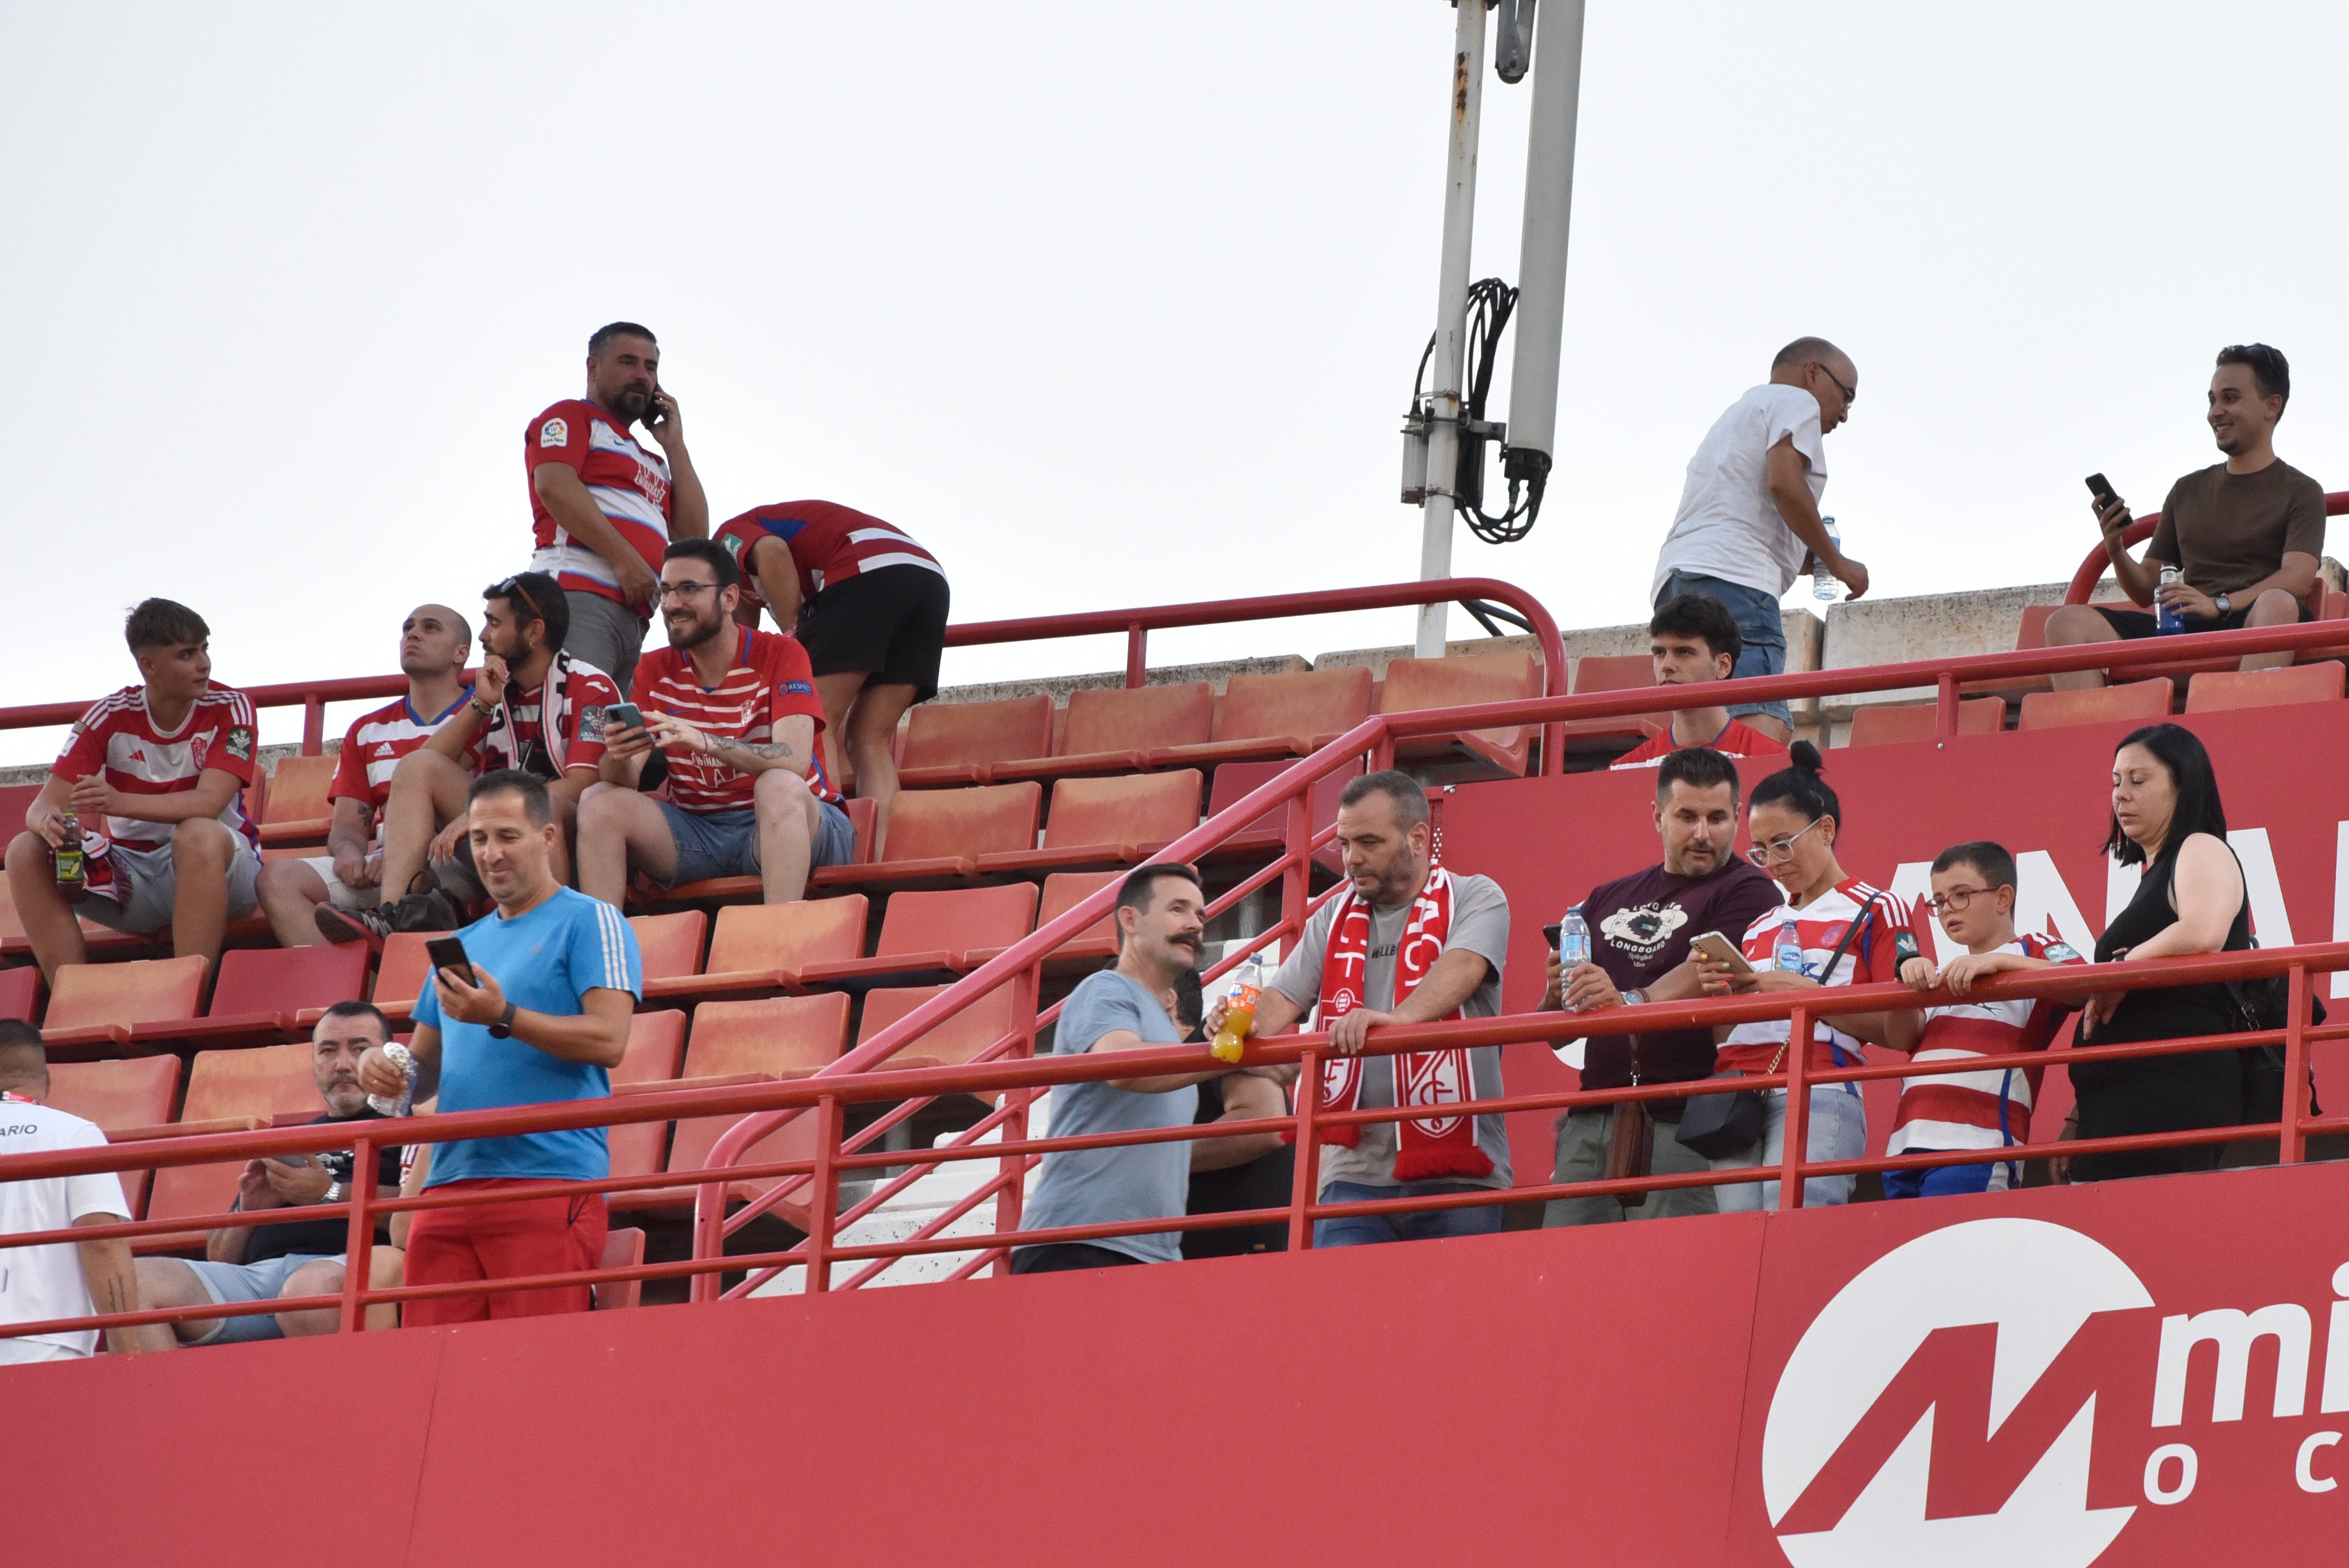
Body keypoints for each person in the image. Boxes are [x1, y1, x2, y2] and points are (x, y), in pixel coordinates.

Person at [354, 769, 641, 1324]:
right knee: (436, 1367)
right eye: (480, 838)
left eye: (508, 836)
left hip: (548, 1179)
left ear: (548, 838)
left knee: (536, 1365)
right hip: (447, 1186)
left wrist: (503, 1016)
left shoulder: (591, 920)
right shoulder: (461, 943)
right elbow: (423, 1072)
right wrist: (381, 1065)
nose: (491, 854)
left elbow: (610, 1040)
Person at [1220, 771, 1513, 1247]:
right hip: (1351, 1175)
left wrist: (1397, 1021)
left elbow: (1463, 966)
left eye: (1369, 842)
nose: (1351, 859)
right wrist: (1239, 1023)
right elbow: (1282, 998)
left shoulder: (1475, 895)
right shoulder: (1331, 915)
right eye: (1344, 843)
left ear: (1418, 838)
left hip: (1461, 1174)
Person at [1541, 748, 1783, 1226]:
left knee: (1677, 1269)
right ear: (1657, 816)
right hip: (1590, 1120)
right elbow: (1557, 1035)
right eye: (1686, 816)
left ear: (1737, 817)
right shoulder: (1605, 897)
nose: (1702, 833)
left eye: (1716, 818)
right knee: (1567, 1267)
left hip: (1687, 1120)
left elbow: (1708, 961)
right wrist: (1556, 993)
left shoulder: (1751, 889)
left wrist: (1631, 1002)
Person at [322, 573, 620, 942]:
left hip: (571, 835)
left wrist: (482, 812)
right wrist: (480, 703)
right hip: (503, 829)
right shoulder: (496, 693)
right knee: (417, 767)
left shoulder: (591, 685)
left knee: (550, 803)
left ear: (534, 631)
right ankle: (397, 916)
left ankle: (549, 937)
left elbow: (582, 783)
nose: (482, 636)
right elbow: (422, 768)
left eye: (494, 623)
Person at [1693, 743, 1917, 1210]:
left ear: (1825, 830)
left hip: (1818, 1084)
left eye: (1782, 843)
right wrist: (1721, 994)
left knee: (1794, 1220)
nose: (1773, 861)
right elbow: (1726, 1035)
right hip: (1735, 1092)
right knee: (1738, 1234)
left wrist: (1805, 996)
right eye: (1759, 850)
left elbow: (1904, 1030)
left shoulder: (1877, 907)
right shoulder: (1759, 926)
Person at [1015, 864, 1268, 1272]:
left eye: (1200, 915)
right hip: (1079, 1243)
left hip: (1151, 1252)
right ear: (1130, 920)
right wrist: (1223, 1052)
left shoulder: (1162, 1026)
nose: (1194, 924)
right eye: (1178, 909)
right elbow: (1124, 1066)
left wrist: (1244, 1046)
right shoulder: (1104, 989)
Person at [578, 540, 856, 908]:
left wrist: (704, 741)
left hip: (795, 823)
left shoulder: (782, 653)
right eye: (666, 590)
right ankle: (603, 939)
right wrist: (617, 754)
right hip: (700, 833)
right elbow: (626, 779)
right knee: (597, 800)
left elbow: (793, 761)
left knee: (778, 786)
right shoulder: (652, 668)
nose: (671, 604)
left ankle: (782, 932)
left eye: (688, 589)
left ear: (729, 598)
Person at [5, 599, 260, 983]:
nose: (204, 664)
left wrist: (118, 802)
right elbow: (42, 807)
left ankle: (189, 993)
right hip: (134, 877)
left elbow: (208, 804)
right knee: (24, 850)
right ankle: (70, 996)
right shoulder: (108, 714)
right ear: (149, 666)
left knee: (197, 834)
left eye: (204, 649)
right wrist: (51, 827)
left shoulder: (233, 707)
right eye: (187, 654)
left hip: (223, 873)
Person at [2046, 345, 2325, 691]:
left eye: (2230, 398)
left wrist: (2219, 604)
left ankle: (2243, 715)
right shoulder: (2187, 490)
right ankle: (2094, 727)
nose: (2216, 412)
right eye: (2212, 400)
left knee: (2279, 603)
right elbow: (2146, 588)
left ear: (2272, 406)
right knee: (2065, 623)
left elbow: (2298, 578)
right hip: (2186, 624)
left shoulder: (2302, 491)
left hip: (2253, 620)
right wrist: (2116, 548)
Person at [132, 1003, 407, 1342]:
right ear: (313, 1063)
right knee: (131, 1282)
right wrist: (250, 1211)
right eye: (328, 1051)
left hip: (345, 1273)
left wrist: (328, 1193)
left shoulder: (411, 1126)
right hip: (259, 1281)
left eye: (360, 1049)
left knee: (307, 1292)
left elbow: (420, 1214)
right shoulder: (290, 1139)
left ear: (388, 1058)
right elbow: (220, 1257)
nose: (342, 1064)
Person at [1650, 338, 1870, 743]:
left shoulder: (1738, 415)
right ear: (1813, 372)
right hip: (1736, 582)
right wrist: (1838, 564)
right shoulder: (1796, 401)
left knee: (1702, 725)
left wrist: (1802, 557)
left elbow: (1740, 513)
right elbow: (1783, 484)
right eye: (1847, 396)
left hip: (1677, 580)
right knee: (1759, 724)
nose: (1844, 413)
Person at [2068, 724, 2253, 1182]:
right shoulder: (2152, 875)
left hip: (2170, 1090)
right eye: (2116, 782)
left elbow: (2203, 932)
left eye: (2138, 780)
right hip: (2117, 1103)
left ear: (2183, 784)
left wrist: (2122, 970)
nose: (2120, 795)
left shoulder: (2201, 847)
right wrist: (2077, 1115)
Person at [712, 500, 950, 848]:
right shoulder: (739, 589)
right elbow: (741, 643)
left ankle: (830, 848)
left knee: (813, 719)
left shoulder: (722, 541)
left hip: (867, 566)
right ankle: (875, 856)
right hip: (927, 577)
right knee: (868, 737)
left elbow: (773, 551)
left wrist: (793, 633)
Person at [255, 604, 481, 947]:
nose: (412, 634)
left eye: (430, 628)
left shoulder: (487, 712)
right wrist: (349, 854)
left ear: (461, 653)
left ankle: (397, 933)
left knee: (421, 781)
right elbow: (347, 827)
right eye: (407, 628)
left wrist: (400, 860)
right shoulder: (367, 729)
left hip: (459, 856)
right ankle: (354, 981)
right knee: (277, 879)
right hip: (385, 861)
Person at [1887, 842, 2085, 1198]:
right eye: (1938, 901)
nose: (1947, 909)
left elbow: (2086, 985)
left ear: (2003, 898)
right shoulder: (1941, 973)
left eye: (1961, 895)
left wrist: (1999, 961)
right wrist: (1907, 982)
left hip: (1978, 1142)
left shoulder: (2031, 948)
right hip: (1905, 1143)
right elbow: (1903, 1039)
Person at [525, 321, 708, 698]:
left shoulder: (653, 461)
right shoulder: (572, 416)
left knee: (604, 727)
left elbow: (692, 539)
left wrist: (675, 445)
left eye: (651, 367)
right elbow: (554, 485)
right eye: (628, 362)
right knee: (575, 716)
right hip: (577, 593)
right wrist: (625, 559)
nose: (642, 376)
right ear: (593, 367)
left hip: (635, 617)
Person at [0, 1021, 147, 1364]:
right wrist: (130, 1356)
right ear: (47, 1080)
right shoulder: (74, 1134)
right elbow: (102, 1242)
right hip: (46, 1344)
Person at [1172, 966, 1294, 1259]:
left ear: (1167, 1000)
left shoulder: (1217, 1038)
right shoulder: (1208, 1041)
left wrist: (1159, 1160)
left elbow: (1267, 1127)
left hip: (1240, 1256)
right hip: (1215, 1255)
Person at [1609, 593, 1793, 769]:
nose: (1666, 665)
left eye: (1684, 652)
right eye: (1659, 653)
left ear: (1723, 665)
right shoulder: (1624, 769)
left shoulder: (1776, 761)